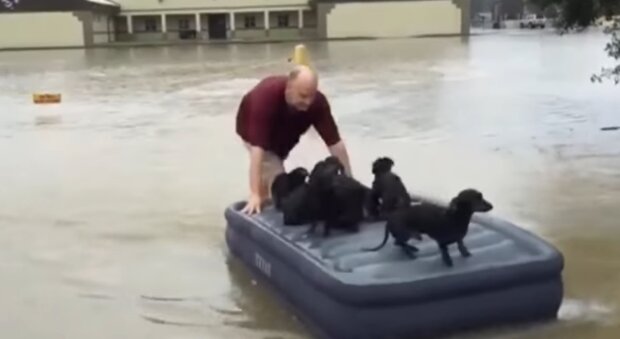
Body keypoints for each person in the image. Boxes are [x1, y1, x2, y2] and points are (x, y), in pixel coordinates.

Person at [235, 65, 352, 215]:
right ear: (288, 88)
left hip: (283, 138)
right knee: (278, 181)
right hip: (253, 132)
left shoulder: (317, 104)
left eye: (311, 95)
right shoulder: (265, 98)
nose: (308, 102)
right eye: (303, 96)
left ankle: (264, 199)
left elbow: (336, 145)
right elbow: (258, 152)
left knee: (272, 174)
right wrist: (254, 194)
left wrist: (349, 179)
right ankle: (261, 205)